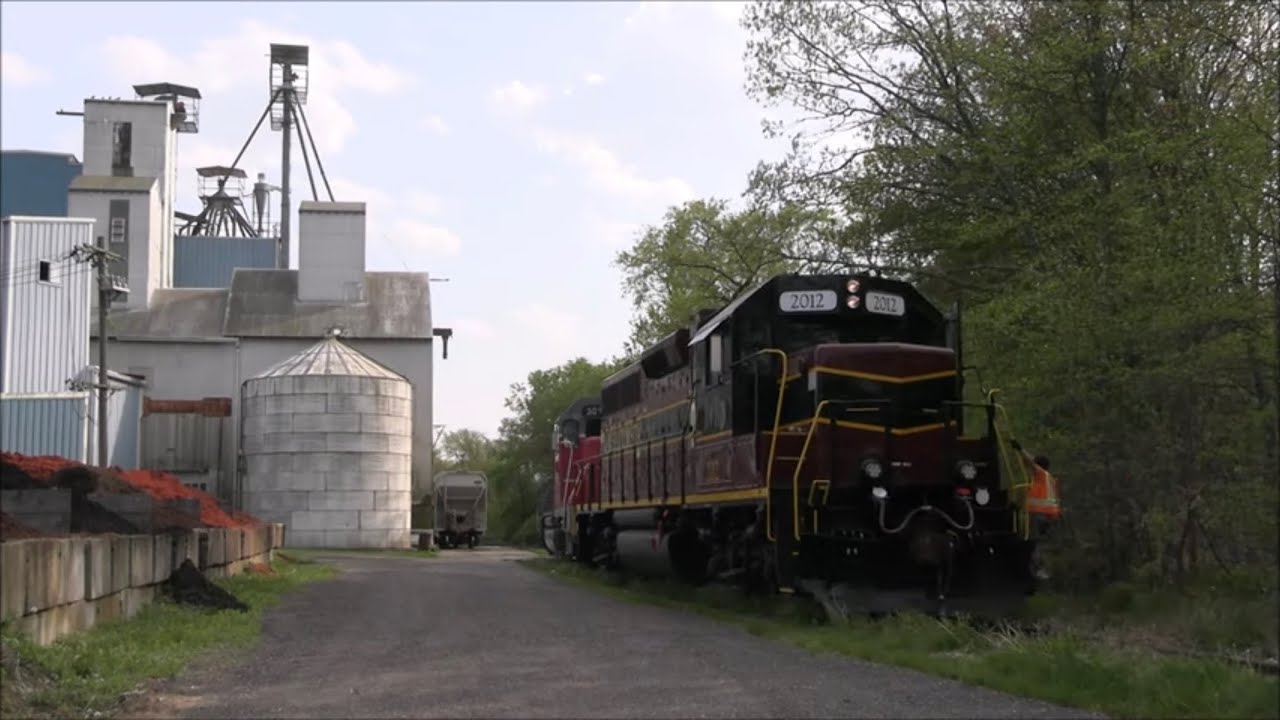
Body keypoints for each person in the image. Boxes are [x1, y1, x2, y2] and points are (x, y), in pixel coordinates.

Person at [1010, 438, 1060, 581]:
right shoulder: (1048, 477)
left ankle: (1036, 571)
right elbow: (1034, 461)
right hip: (1048, 516)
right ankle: (1040, 570)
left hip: (1039, 514)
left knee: (1035, 543)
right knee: (1041, 543)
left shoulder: (1040, 474)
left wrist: (1020, 449)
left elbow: (1031, 462)